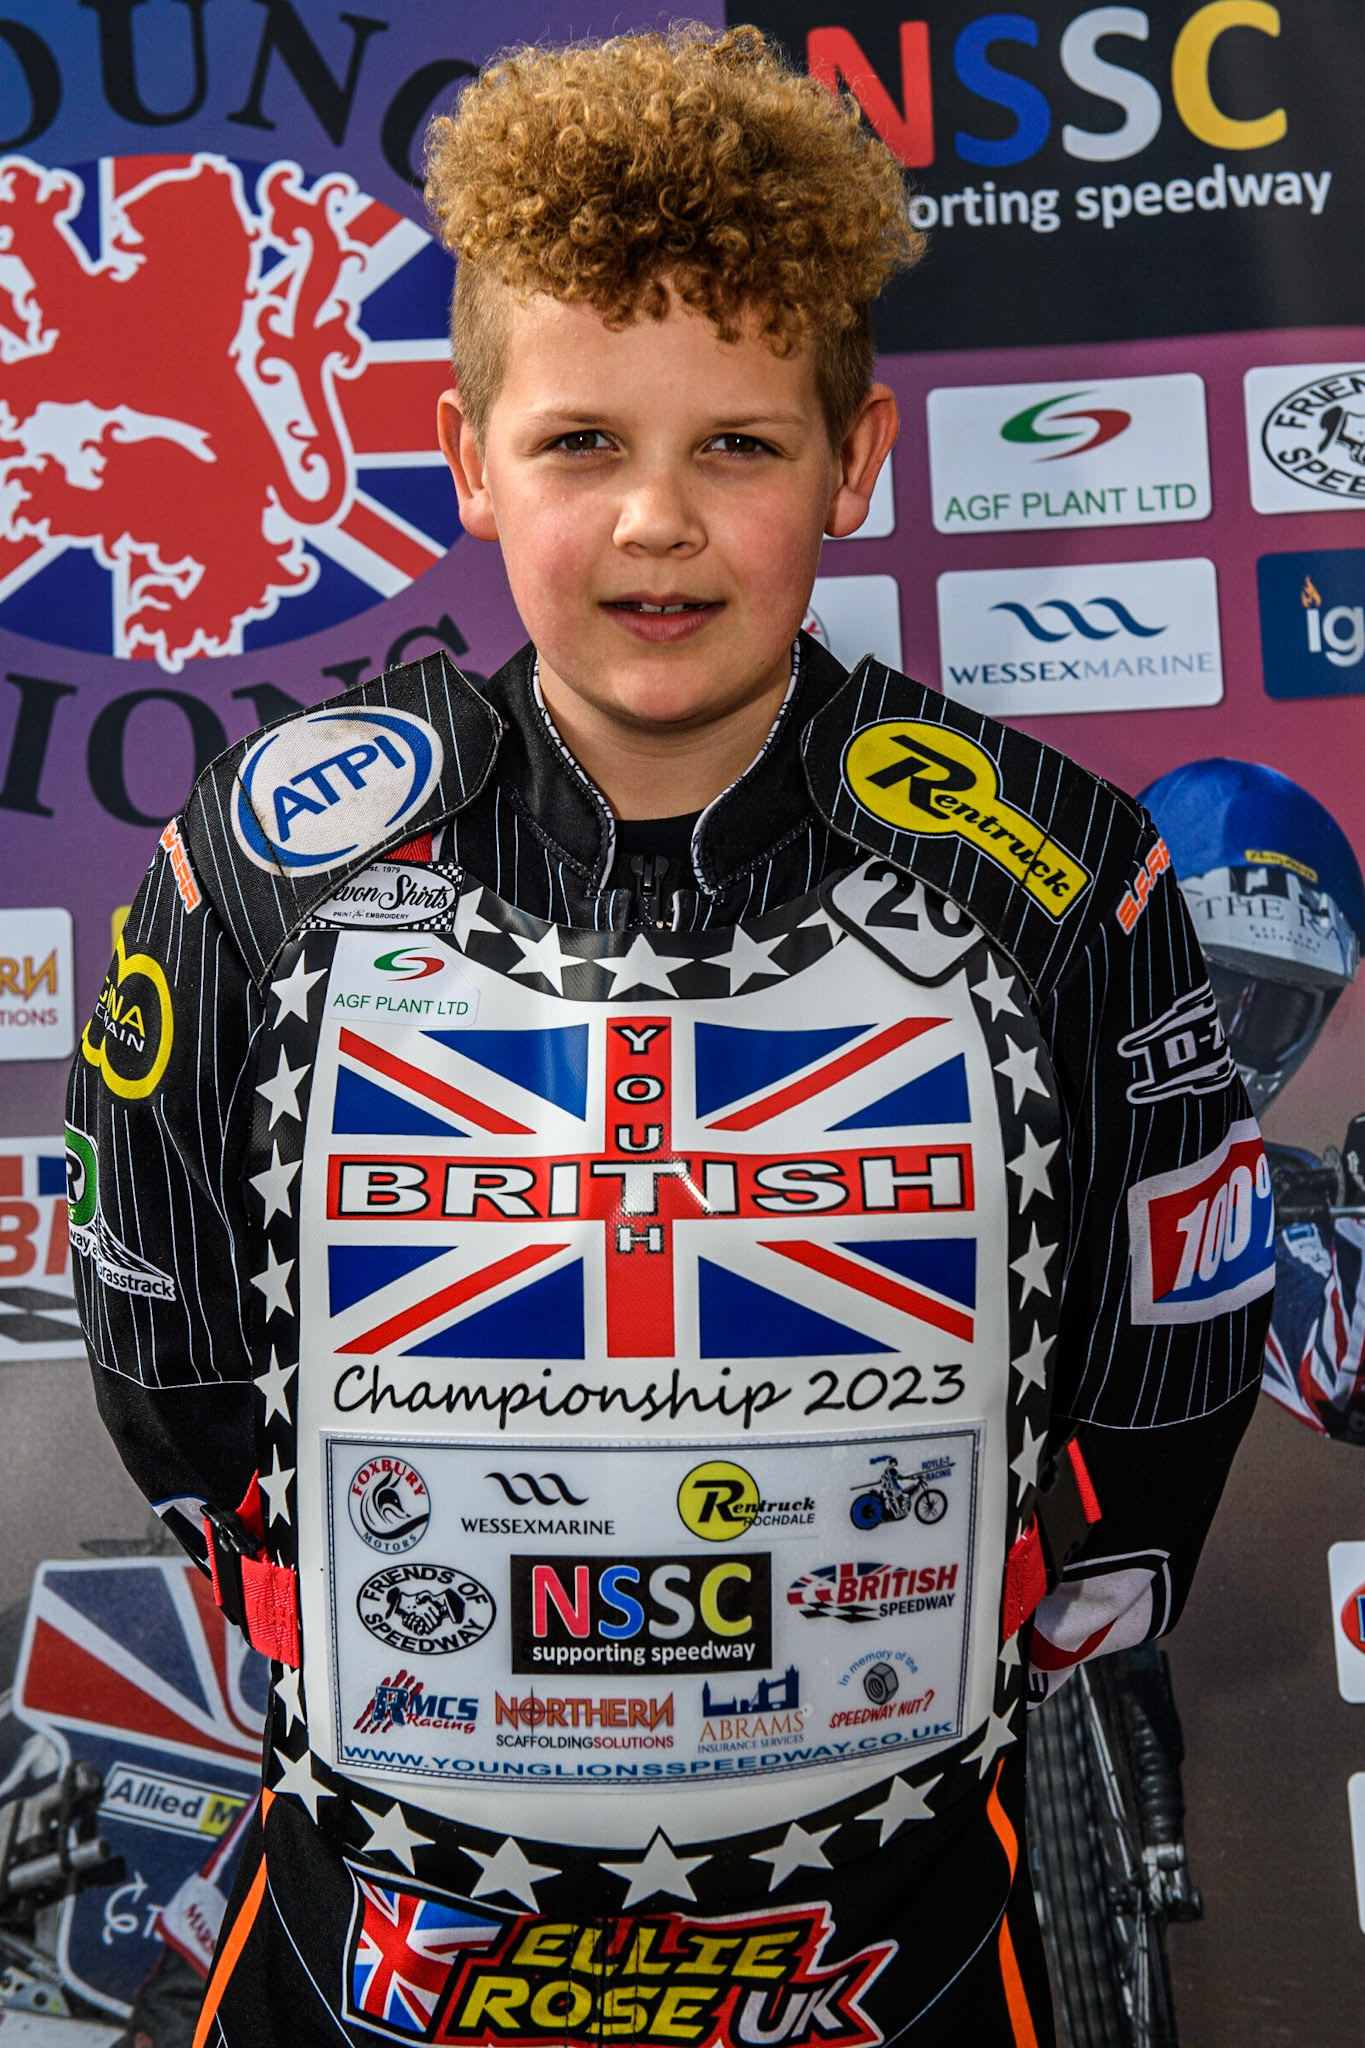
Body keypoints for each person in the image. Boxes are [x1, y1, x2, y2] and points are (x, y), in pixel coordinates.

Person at [67, 27, 1271, 2045]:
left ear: (856, 459)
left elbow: (1163, 1380)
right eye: (578, 443)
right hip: (369, 1948)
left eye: (736, 445)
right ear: (466, 458)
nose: (656, 519)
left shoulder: (1061, 871)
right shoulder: (262, 867)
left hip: (895, 1945)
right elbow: (168, 1358)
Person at [1140, 758, 1365, 1442]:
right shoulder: (1001, 1097)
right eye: (1209, 992)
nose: (1229, 1037)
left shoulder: (1257, 1196)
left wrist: (1359, 1222)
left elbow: (1338, 1387)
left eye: (1272, 1013)